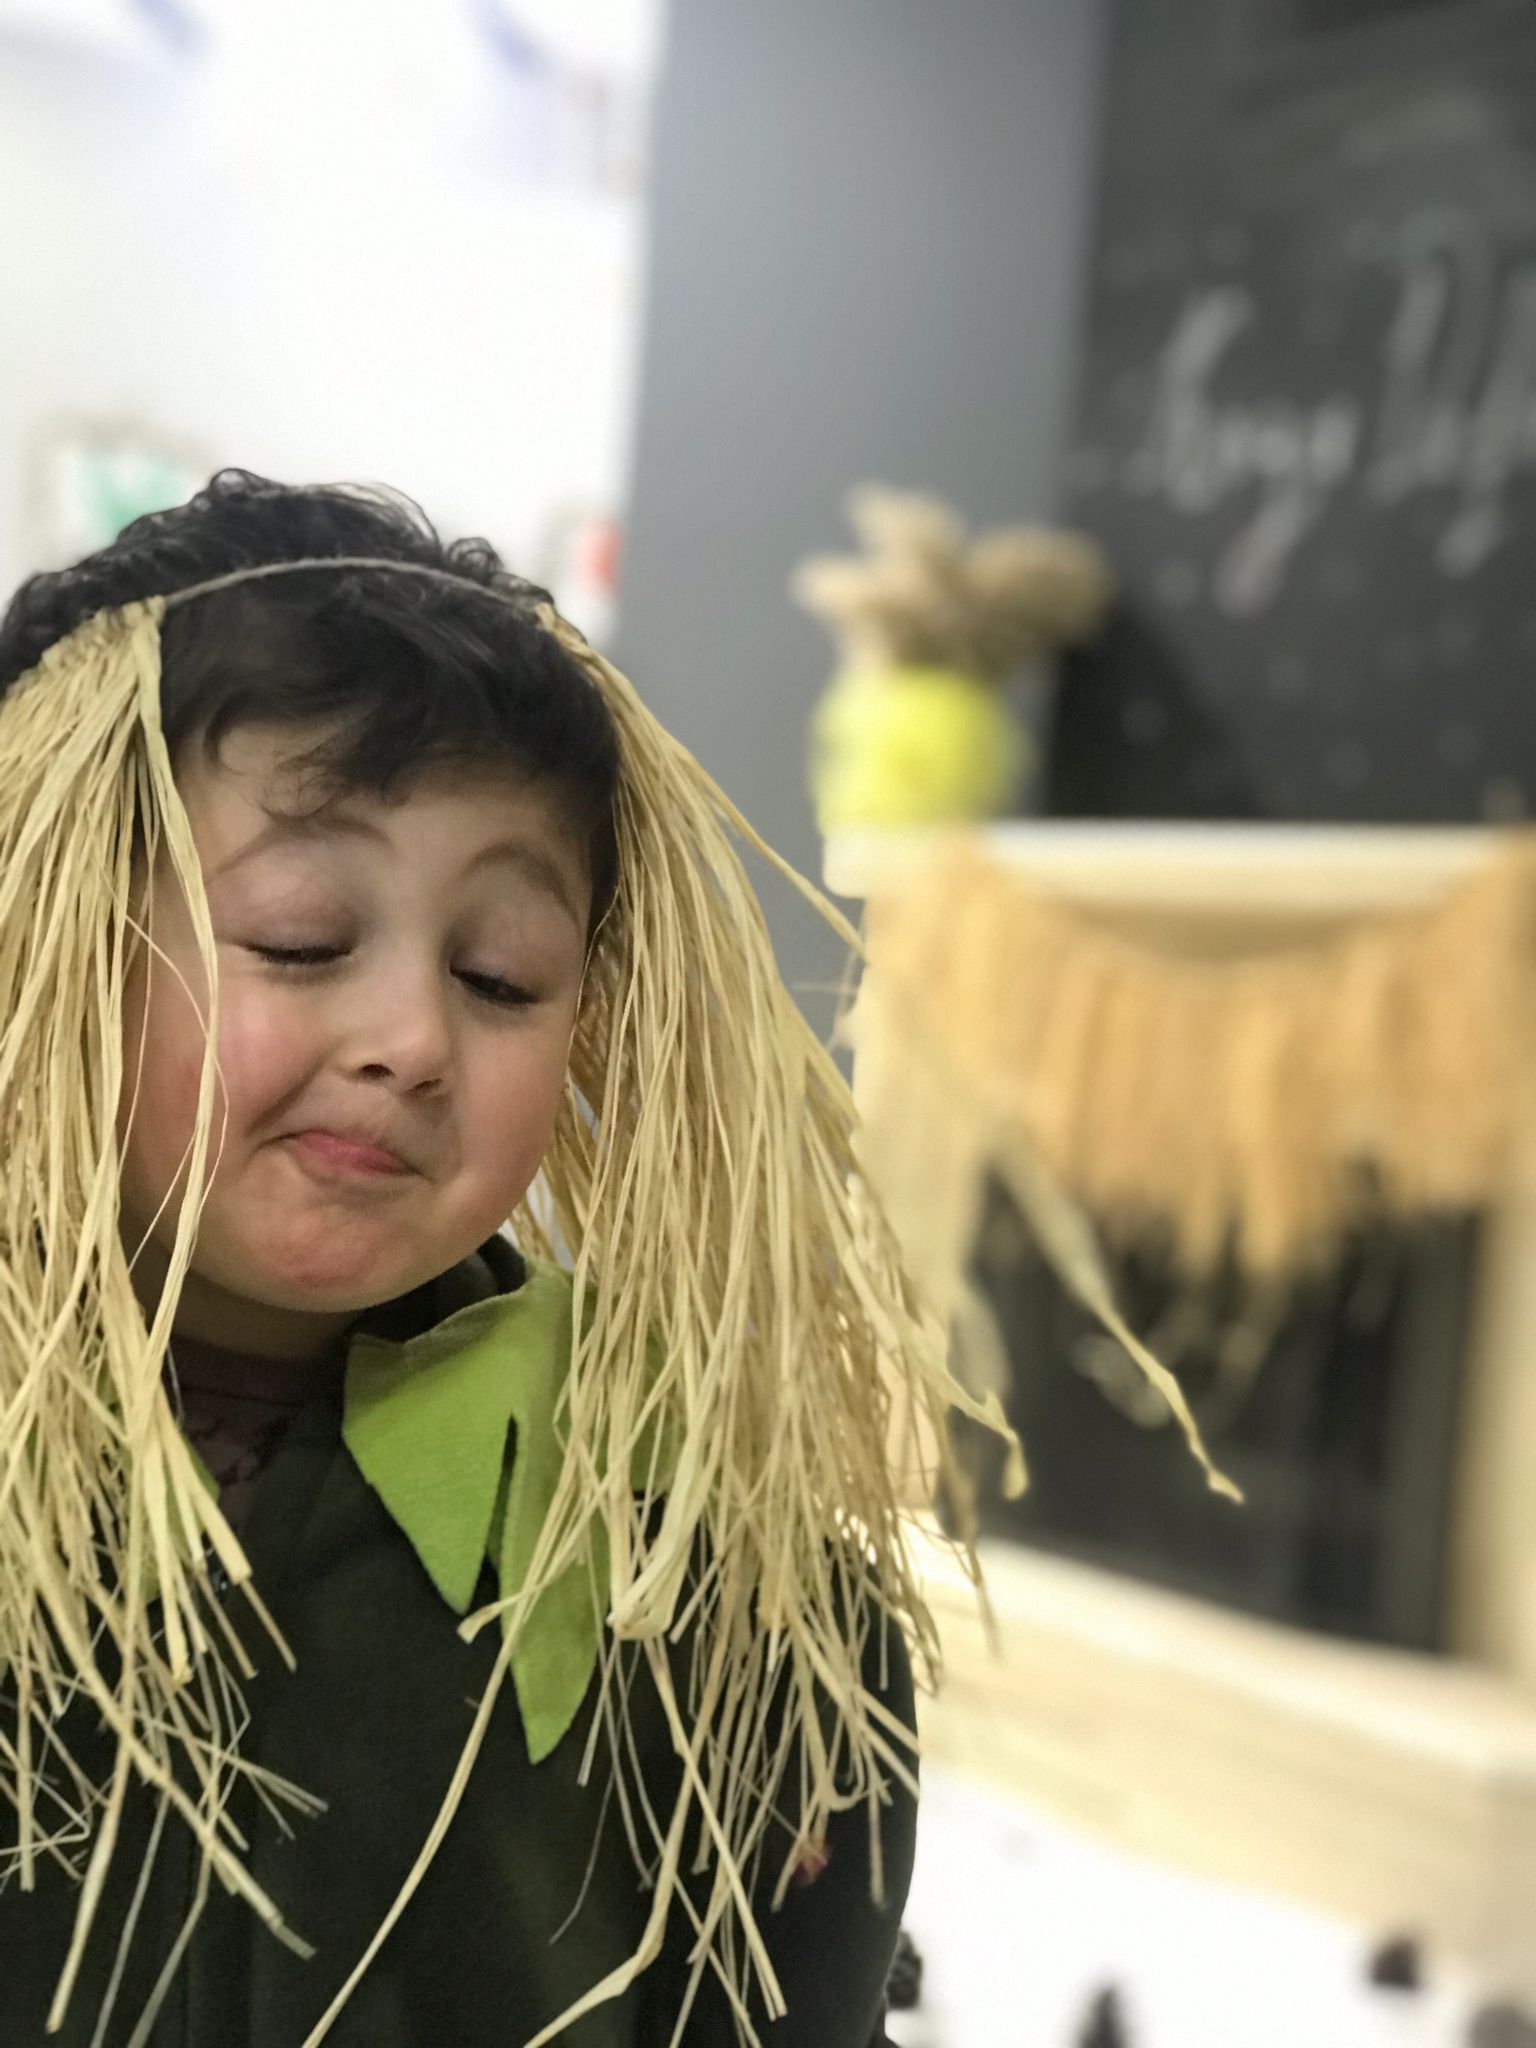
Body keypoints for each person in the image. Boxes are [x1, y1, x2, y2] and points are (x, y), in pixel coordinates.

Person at [0, 473, 984, 2047]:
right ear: (43, 930)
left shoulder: (691, 1564)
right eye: (303, 937)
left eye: (502, 976)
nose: (411, 1040)